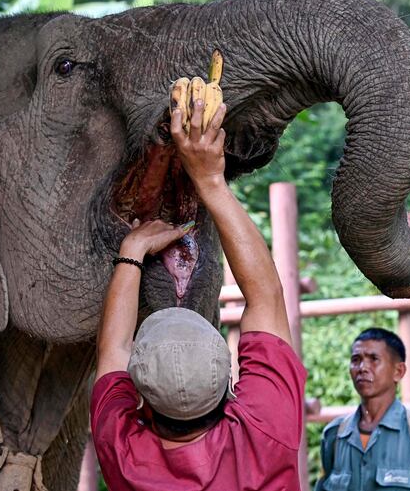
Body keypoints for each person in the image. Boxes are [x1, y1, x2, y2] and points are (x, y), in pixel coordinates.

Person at [90, 95, 307, 490]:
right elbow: (267, 297)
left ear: (143, 406)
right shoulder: (265, 435)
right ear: (228, 383)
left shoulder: (125, 458)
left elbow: (114, 349)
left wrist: (133, 250)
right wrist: (210, 180)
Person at [315, 328, 410, 491]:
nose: (362, 368)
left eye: (374, 359)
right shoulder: (335, 435)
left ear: (398, 371)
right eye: (356, 359)